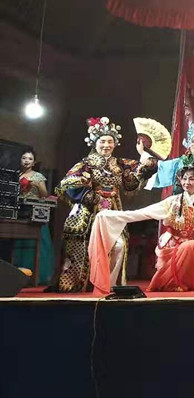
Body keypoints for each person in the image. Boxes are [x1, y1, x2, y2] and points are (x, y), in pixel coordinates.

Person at [86, 165, 194, 294]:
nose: (187, 182)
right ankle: (174, 282)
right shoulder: (171, 202)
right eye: (184, 179)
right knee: (189, 247)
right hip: (171, 243)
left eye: (192, 179)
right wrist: (111, 215)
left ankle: (186, 282)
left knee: (191, 246)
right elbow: (142, 213)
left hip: (193, 244)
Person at [54, 117, 157, 292]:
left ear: (115, 144)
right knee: (85, 245)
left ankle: (110, 284)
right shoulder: (86, 164)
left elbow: (131, 182)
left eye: (110, 141)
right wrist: (91, 196)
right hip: (88, 210)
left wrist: (145, 161)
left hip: (113, 209)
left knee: (119, 245)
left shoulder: (120, 164)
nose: (106, 145)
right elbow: (69, 183)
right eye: (102, 141)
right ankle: (82, 282)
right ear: (95, 143)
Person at [12, 149, 54, 284]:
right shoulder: (16, 175)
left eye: (30, 159)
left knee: (37, 244)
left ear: (34, 162)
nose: (27, 161)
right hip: (19, 212)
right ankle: (17, 275)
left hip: (34, 212)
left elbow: (45, 195)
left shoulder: (38, 176)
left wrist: (36, 185)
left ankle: (38, 276)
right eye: (24, 158)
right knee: (18, 243)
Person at [146, 120, 194, 196]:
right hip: (178, 199)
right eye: (193, 141)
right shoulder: (181, 161)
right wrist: (148, 161)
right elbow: (163, 168)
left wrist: (190, 186)